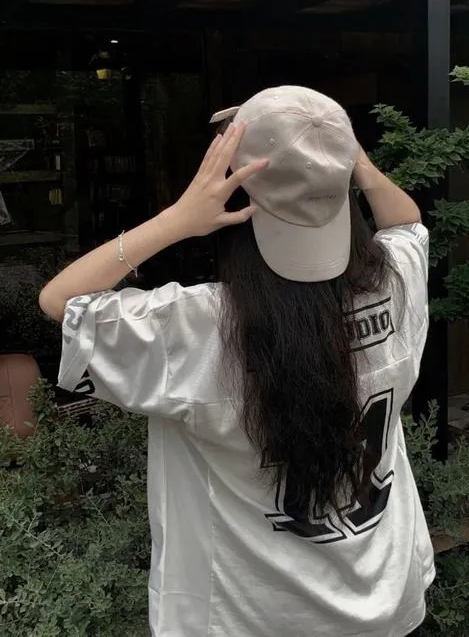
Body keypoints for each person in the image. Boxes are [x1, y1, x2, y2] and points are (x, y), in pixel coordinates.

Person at [40, 86, 434, 637]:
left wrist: (176, 219)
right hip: (386, 602)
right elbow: (406, 224)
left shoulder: (198, 327)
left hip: (247, 619)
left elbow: (61, 301)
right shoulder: (394, 284)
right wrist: (346, 160)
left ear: (235, 202)